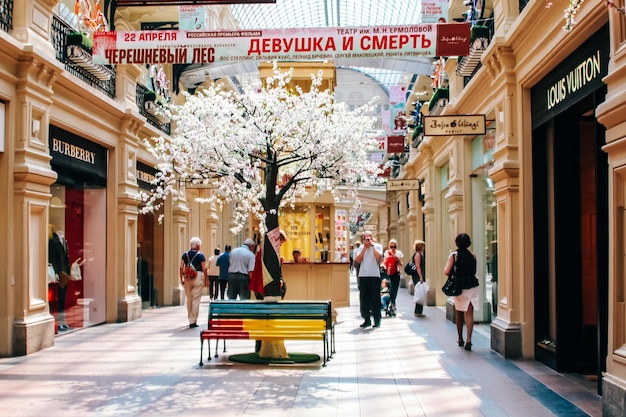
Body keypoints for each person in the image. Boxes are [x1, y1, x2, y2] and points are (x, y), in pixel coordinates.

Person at [444, 233, 479, 351]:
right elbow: (474, 270)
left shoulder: (454, 255)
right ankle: (469, 340)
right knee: (469, 313)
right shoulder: (473, 255)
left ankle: (460, 338)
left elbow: (446, 271)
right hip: (472, 285)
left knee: (459, 312)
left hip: (460, 286)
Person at [354, 231, 383, 328]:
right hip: (363, 275)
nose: (367, 240)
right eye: (365, 238)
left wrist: (372, 246)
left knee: (375, 299)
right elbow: (358, 260)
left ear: (372, 237)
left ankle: (377, 320)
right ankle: (366, 319)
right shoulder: (361, 248)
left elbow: (379, 258)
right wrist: (365, 248)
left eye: (369, 238)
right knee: (364, 299)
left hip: (374, 276)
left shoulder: (377, 246)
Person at [180, 237, 207, 328]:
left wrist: (181, 279)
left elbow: (181, 267)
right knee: (196, 299)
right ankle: (193, 320)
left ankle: (189, 318)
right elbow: (204, 268)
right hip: (197, 276)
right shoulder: (200, 255)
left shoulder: (185, 254)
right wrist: (206, 279)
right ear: (198, 246)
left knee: (189, 299)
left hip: (187, 276)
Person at [49, 227, 70, 331]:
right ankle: (58, 323)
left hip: (64, 274)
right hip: (58, 274)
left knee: (63, 299)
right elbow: (52, 258)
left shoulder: (64, 240)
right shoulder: (53, 241)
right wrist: (56, 272)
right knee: (58, 301)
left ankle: (62, 322)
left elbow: (66, 258)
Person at [382, 239, 404, 306]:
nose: (393, 248)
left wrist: (397, 260)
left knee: (395, 288)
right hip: (388, 272)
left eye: (394, 247)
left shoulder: (399, 253)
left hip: (396, 272)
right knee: (390, 287)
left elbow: (401, 264)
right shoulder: (386, 253)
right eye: (391, 247)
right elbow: (384, 262)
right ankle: (391, 301)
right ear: (389, 247)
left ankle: (393, 300)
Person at [412, 240, 426, 317]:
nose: (424, 248)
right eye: (423, 246)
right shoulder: (417, 255)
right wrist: (421, 277)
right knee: (419, 292)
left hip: (418, 276)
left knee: (420, 292)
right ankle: (418, 311)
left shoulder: (418, 254)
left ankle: (419, 311)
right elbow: (417, 266)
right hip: (417, 276)